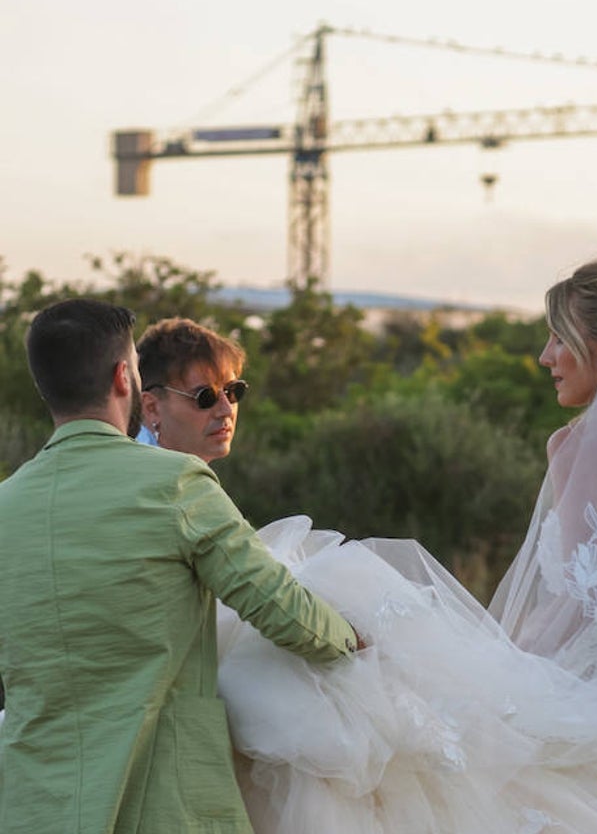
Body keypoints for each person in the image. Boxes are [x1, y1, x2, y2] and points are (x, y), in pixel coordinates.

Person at [215, 258, 597, 833]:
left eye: (558, 337)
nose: (545, 357)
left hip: (586, 711)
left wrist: (494, 693)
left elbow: (570, 615)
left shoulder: (575, 449)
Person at [0, 298, 362, 833]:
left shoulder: (7, 505)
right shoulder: (175, 484)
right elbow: (284, 611)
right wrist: (357, 640)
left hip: (32, 806)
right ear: (126, 378)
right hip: (166, 803)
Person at [135, 316, 247, 462]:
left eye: (233, 391)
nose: (226, 410)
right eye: (206, 397)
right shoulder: (145, 475)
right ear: (152, 408)